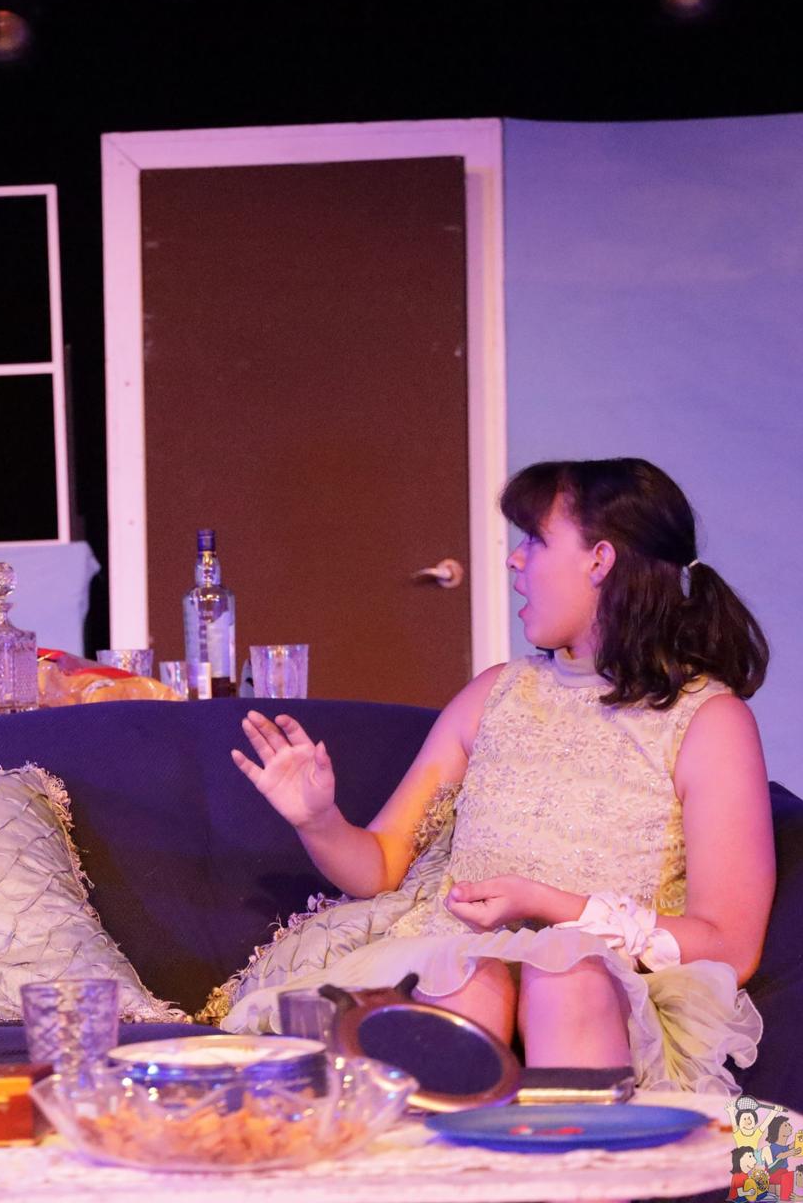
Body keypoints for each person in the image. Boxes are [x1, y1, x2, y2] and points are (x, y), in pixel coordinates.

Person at [225, 458, 773, 1094]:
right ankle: (444, 1145)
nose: (514, 560)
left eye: (534, 540)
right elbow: (380, 866)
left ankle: (574, 1148)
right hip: (453, 965)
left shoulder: (708, 721)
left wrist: (553, 908)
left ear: (600, 560)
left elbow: (731, 945)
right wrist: (318, 820)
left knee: (567, 973)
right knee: (465, 978)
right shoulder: (495, 694)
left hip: (596, 991)